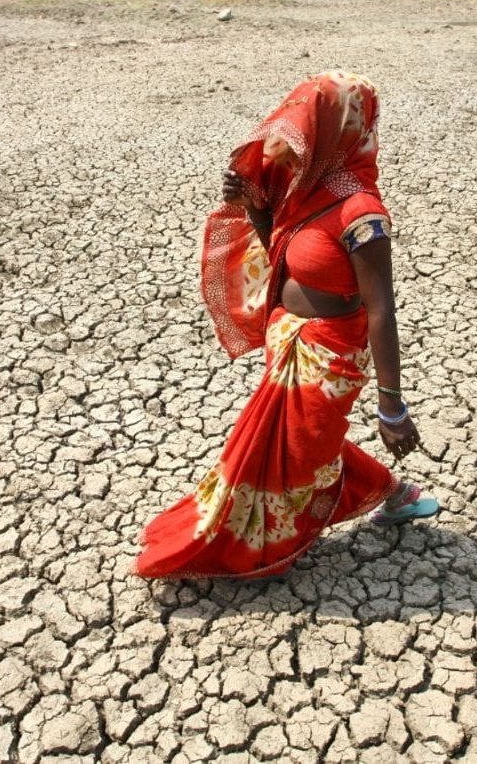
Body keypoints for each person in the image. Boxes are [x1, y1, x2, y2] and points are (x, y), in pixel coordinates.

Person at [134, 71, 439, 580]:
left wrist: (392, 406)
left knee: (299, 449)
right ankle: (396, 494)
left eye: (311, 125)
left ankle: (256, 544)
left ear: (338, 131)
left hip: (330, 352)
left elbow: (382, 309)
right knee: (297, 442)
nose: (297, 137)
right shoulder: (307, 191)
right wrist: (256, 207)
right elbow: (279, 254)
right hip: (289, 340)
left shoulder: (361, 212)